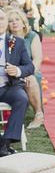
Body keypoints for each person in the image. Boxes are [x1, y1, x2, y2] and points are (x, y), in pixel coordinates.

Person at [0, 9, 35, 156]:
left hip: (8, 86)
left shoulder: (16, 42)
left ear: (6, 22)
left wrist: (18, 71)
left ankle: (5, 143)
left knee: (21, 98)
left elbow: (30, 67)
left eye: (1, 19)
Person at [7, 9, 44, 129]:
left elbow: (37, 60)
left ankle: (38, 115)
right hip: (11, 72)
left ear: (23, 22)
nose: (14, 23)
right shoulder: (7, 38)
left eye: (17, 20)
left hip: (30, 70)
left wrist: (27, 73)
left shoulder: (31, 36)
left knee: (32, 79)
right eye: (10, 21)